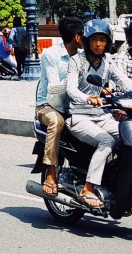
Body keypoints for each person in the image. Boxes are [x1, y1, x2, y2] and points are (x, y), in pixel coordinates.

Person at [66, 17, 132, 209]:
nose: (99, 44)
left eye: (102, 40)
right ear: (86, 41)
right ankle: (88, 188)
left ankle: (118, 180)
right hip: (79, 116)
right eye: (94, 40)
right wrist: (87, 98)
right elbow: (71, 88)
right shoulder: (76, 61)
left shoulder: (108, 61)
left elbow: (124, 81)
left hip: (102, 115)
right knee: (106, 141)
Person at [35, 16, 84, 195]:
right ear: (77, 37)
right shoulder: (51, 55)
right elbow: (54, 88)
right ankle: (51, 173)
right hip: (48, 105)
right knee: (57, 122)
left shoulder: (82, 57)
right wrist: (72, 84)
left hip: (75, 105)